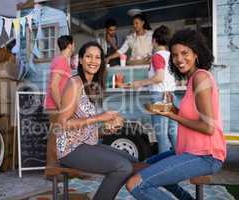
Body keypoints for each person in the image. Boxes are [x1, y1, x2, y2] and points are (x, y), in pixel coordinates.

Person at [126, 29, 226, 200]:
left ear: (196, 54)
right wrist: (172, 109)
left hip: (205, 156)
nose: (179, 59)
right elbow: (194, 118)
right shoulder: (192, 79)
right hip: (188, 151)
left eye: (184, 53)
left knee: (135, 183)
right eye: (174, 55)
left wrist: (173, 115)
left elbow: (208, 127)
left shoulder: (200, 77)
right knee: (142, 167)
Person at [55, 41, 138, 200]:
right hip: (70, 150)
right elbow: (62, 123)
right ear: (80, 59)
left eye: (97, 57)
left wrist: (104, 130)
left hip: (86, 145)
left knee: (133, 161)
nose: (93, 61)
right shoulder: (75, 83)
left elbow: (85, 126)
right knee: (123, 167)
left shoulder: (92, 86)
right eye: (89, 56)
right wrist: (100, 117)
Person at [131, 25, 177, 153]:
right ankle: (179, 160)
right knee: (173, 133)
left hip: (159, 97)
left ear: (154, 40)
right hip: (171, 96)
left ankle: (165, 166)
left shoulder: (157, 56)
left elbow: (159, 78)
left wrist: (140, 83)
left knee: (162, 136)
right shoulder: (171, 56)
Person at [45, 35, 74, 166]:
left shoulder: (63, 61)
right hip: (55, 107)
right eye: (74, 44)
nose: (74, 46)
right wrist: (61, 107)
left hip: (58, 106)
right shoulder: (61, 61)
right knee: (55, 139)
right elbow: (54, 86)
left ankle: (58, 170)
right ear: (69, 45)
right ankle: (52, 172)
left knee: (60, 138)